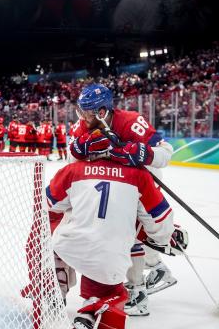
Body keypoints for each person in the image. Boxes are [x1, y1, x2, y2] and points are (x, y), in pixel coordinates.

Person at [46, 157, 182, 329]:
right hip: (106, 259)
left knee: (56, 238)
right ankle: (91, 311)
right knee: (115, 287)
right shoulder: (140, 176)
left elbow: (48, 204)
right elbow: (160, 228)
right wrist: (166, 235)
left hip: (66, 246)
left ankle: (56, 282)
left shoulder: (73, 169)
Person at [69, 83, 176, 316]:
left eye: (90, 112)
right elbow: (71, 158)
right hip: (111, 187)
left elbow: (166, 153)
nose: (84, 118)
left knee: (132, 237)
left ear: (104, 110)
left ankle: (138, 291)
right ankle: (149, 272)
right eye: (82, 111)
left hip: (141, 186)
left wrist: (141, 153)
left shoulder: (130, 121)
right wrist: (80, 147)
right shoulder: (82, 126)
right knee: (121, 236)